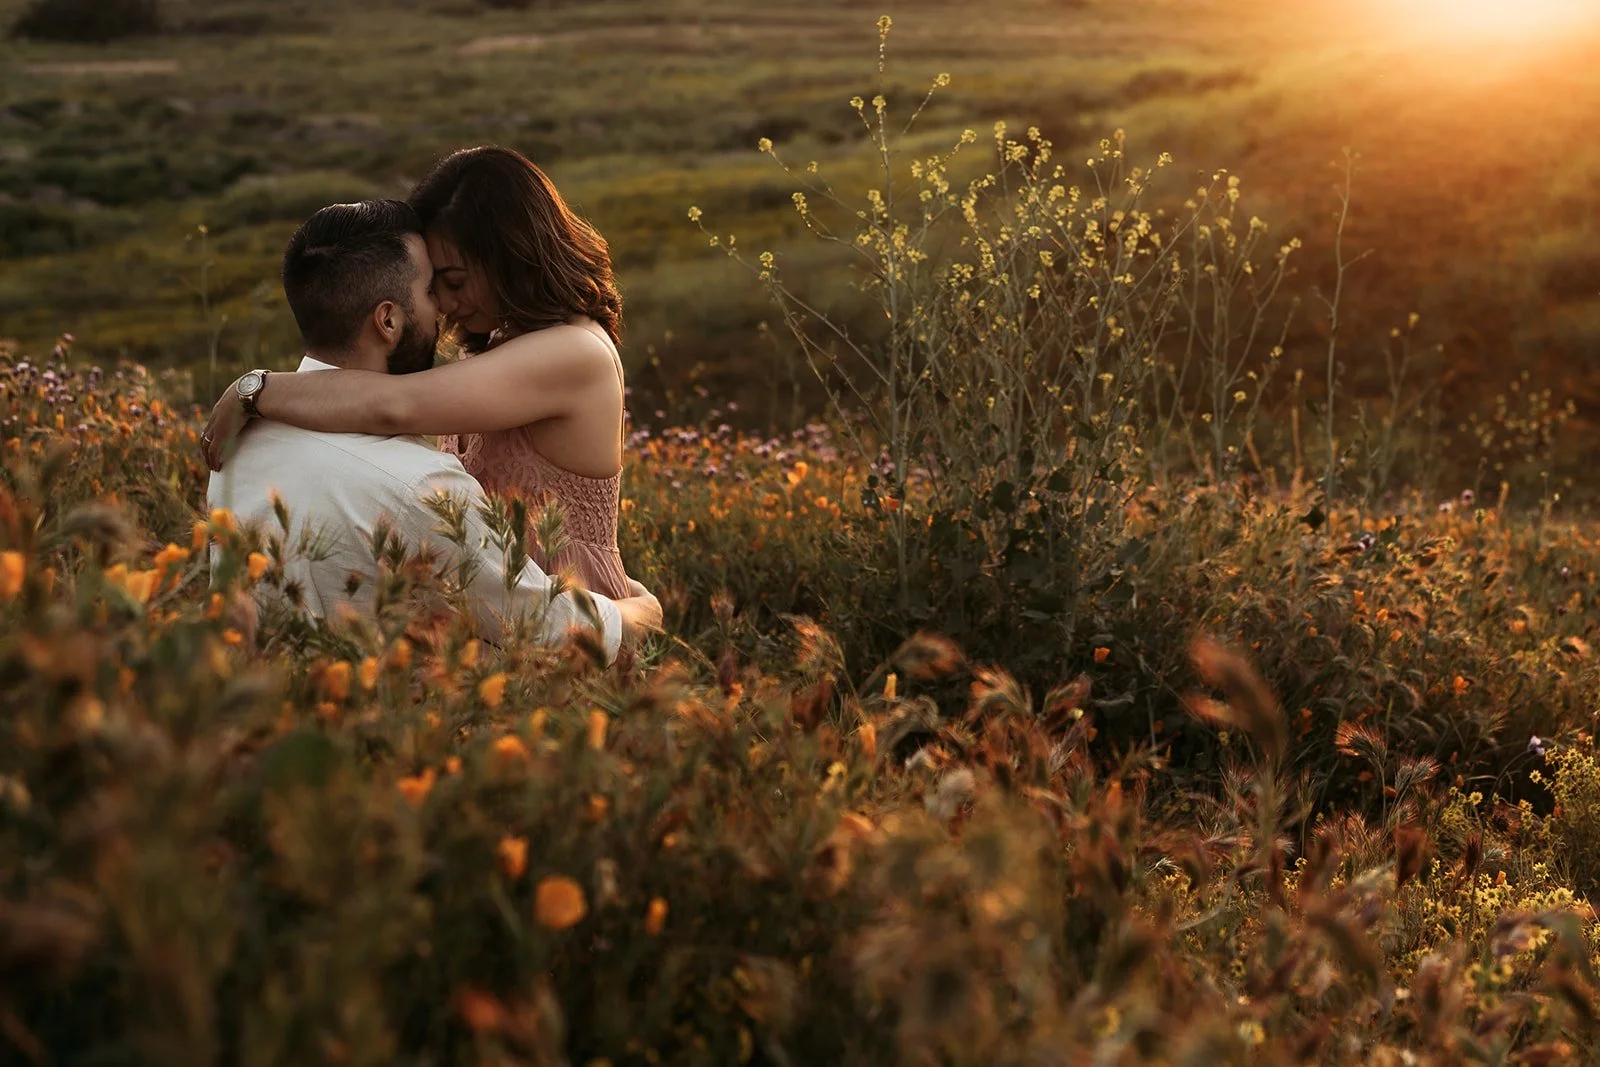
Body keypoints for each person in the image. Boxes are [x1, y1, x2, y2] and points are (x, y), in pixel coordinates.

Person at [204, 199, 661, 661]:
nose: (441, 308)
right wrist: (643, 613)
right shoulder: (421, 488)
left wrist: (253, 387)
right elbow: (549, 627)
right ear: (388, 320)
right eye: (429, 291)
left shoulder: (239, 443)